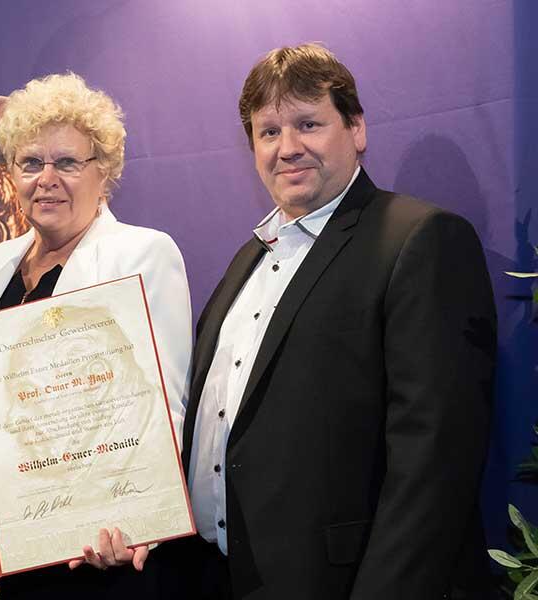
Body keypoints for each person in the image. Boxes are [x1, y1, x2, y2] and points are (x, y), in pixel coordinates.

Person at [168, 43, 496, 599]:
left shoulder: (419, 239)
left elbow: (434, 462)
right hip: (220, 577)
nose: (287, 148)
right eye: (268, 131)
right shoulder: (246, 260)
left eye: (309, 124)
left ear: (357, 128)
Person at [0, 72, 192, 599]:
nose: (47, 178)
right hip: (16, 545)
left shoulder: (142, 253)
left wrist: (138, 520)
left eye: (67, 162)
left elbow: (166, 400)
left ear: (104, 171)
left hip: (101, 551)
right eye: (31, 163)